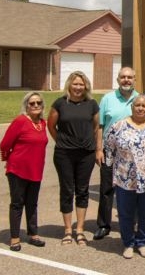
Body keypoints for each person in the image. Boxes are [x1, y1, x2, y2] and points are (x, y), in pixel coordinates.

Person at [105, 95, 145, 259]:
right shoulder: (119, 126)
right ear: (132, 108)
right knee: (126, 213)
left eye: (144, 106)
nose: (140, 108)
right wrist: (109, 165)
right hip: (126, 177)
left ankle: (143, 242)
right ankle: (128, 243)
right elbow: (109, 146)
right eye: (137, 105)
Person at [48, 71, 100, 247]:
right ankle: (68, 230)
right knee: (67, 190)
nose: (78, 87)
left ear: (86, 86)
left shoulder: (92, 104)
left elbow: (95, 127)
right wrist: (62, 141)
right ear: (69, 85)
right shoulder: (60, 104)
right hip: (64, 154)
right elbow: (51, 125)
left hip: (86, 153)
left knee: (83, 190)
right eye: (75, 84)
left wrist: (91, 145)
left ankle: (80, 230)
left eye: (81, 84)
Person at [93, 67, 139, 240]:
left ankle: (131, 223)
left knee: (132, 188)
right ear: (118, 79)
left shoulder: (140, 99)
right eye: (123, 77)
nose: (126, 80)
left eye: (129, 77)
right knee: (107, 188)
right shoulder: (107, 99)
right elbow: (99, 126)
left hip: (133, 152)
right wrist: (98, 149)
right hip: (110, 151)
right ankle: (104, 225)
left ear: (134, 79)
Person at [0, 92, 48, 251]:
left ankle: (33, 234)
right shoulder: (20, 121)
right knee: (17, 203)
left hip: (36, 170)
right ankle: (15, 238)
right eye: (32, 103)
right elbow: (5, 144)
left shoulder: (42, 123)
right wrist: (8, 161)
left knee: (32, 203)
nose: (35, 106)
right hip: (18, 170)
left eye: (38, 103)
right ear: (26, 105)